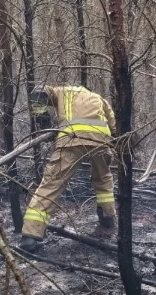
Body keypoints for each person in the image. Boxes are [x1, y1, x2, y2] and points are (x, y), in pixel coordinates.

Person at [18, 80, 116, 253]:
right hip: (101, 141)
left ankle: (31, 236)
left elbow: (38, 92)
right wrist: (112, 142)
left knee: (51, 185)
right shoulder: (99, 98)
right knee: (103, 179)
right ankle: (108, 218)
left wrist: (44, 121)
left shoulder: (61, 91)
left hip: (71, 139)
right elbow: (114, 125)